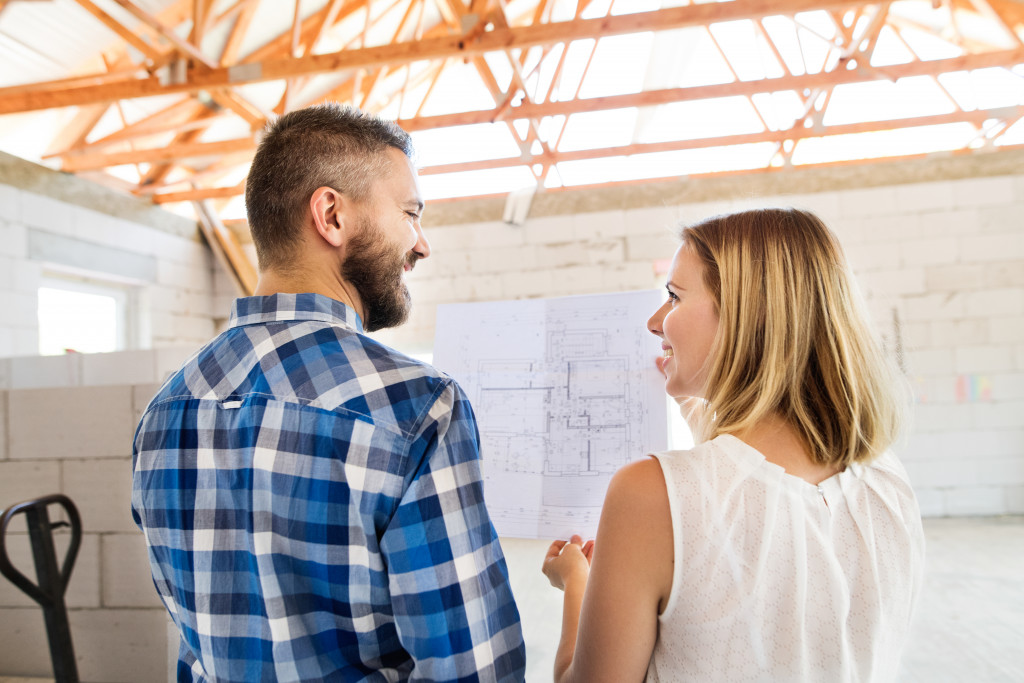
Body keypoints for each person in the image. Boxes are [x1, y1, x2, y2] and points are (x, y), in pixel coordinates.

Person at [132, 104, 526, 682]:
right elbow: (473, 669)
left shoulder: (164, 412)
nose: (421, 245)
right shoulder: (417, 407)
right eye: (411, 214)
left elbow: (195, 645)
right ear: (331, 214)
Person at [542, 208, 925, 682]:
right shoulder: (887, 480)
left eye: (674, 297)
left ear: (747, 315)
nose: (655, 321)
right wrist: (701, 399)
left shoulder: (648, 494)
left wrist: (577, 583)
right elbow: (762, 487)